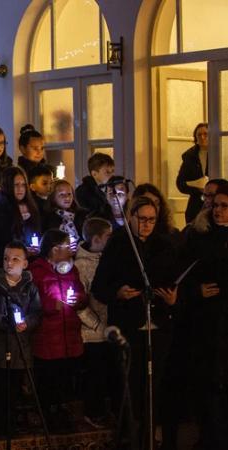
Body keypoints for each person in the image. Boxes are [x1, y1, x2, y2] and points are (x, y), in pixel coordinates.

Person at [91, 196, 179, 446]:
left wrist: (173, 300)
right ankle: (130, 439)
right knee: (130, 389)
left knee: (154, 388)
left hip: (158, 326)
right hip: (129, 327)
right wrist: (117, 293)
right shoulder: (118, 244)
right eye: (142, 219)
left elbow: (176, 280)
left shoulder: (164, 245)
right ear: (131, 218)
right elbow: (99, 287)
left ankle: (149, 438)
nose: (147, 225)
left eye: (152, 220)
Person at [181, 183, 228, 449]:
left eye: (224, 206)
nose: (217, 210)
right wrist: (195, 290)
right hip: (206, 321)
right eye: (215, 204)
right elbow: (184, 272)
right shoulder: (199, 236)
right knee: (209, 382)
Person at [30, 229, 88, 433]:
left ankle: (66, 416)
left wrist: (78, 299)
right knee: (49, 382)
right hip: (48, 339)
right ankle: (49, 418)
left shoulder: (71, 270)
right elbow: (33, 300)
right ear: (54, 250)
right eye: (67, 246)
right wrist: (50, 305)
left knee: (67, 381)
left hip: (69, 336)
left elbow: (81, 293)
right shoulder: (37, 271)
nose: (71, 250)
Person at [0, 241, 42, 439]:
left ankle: (11, 426)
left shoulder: (30, 287)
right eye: (6, 258)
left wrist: (27, 323)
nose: (10, 263)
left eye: (15, 259)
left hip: (20, 347)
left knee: (15, 390)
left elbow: (36, 312)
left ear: (25, 263)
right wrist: (5, 323)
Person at [73, 217, 114, 429]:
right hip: (92, 332)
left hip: (110, 328)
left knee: (108, 374)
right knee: (95, 375)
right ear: (97, 239)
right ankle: (93, 412)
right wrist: (98, 325)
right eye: (109, 236)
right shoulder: (80, 266)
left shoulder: (110, 259)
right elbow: (80, 302)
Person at [0, 167, 42, 260]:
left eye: (23, 185)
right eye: (16, 185)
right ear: (8, 186)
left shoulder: (32, 208)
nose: (20, 188)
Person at [176, 123, 209, 223]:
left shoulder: (220, 152)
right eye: (199, 135)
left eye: (205, 134)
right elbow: (180, 183)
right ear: (195, 137)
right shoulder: (189, 156)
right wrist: (197, 188)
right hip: (195, 205)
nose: (202, 137)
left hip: (215, 204)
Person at [44, 179, 88, 248]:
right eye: (62, 194)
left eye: (69, 194)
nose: (67, 198)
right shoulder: (47, 217)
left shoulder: (82, 215)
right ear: (53, 197)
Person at [75, 153, 115, 217]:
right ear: (94, 174)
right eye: (107, 172)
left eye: (113, 171)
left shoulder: (112, 189)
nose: (112, 175)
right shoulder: (83, 192)